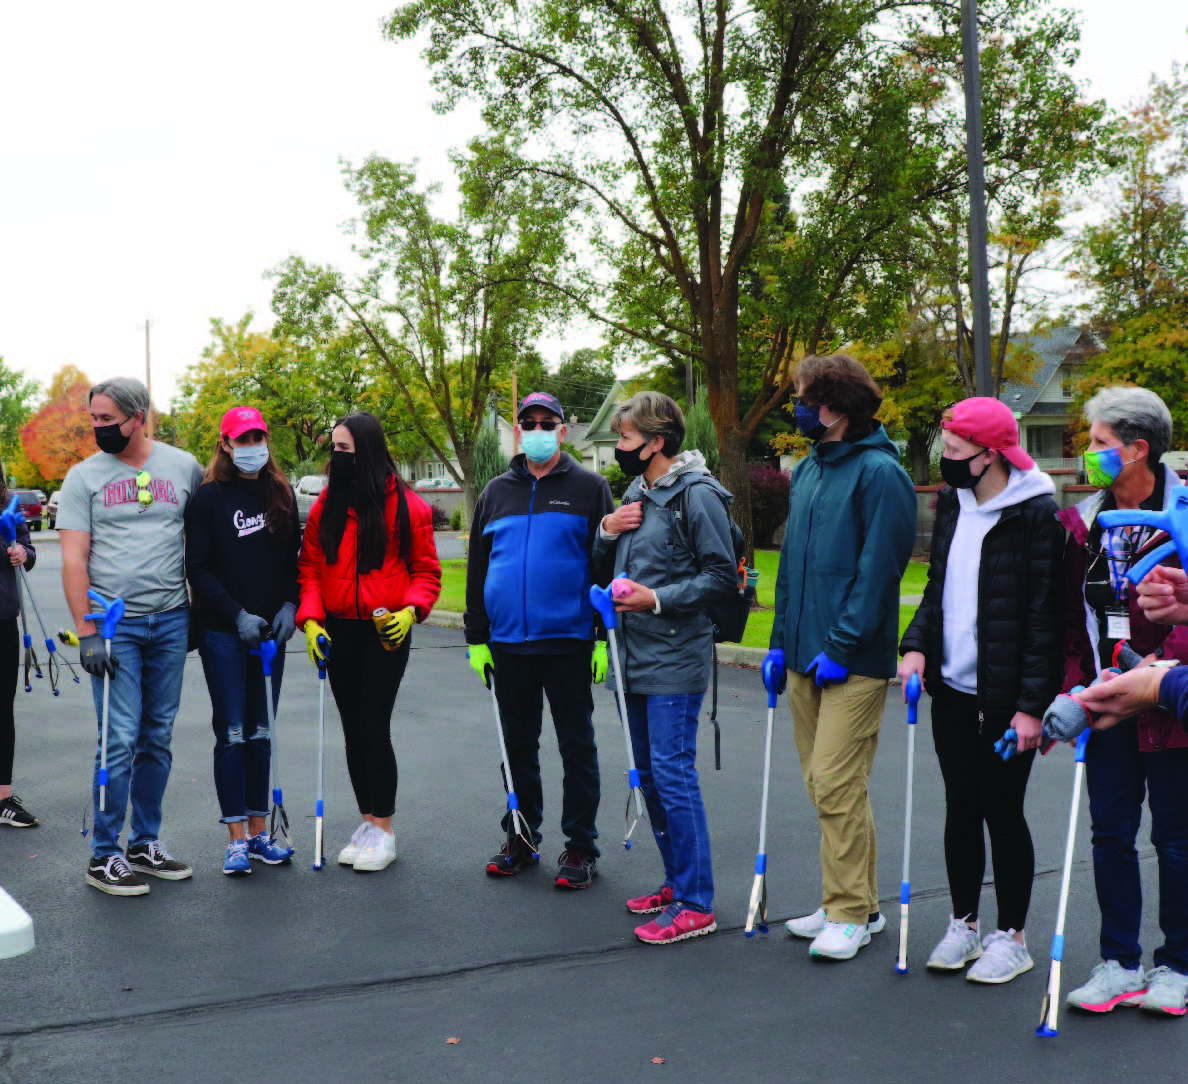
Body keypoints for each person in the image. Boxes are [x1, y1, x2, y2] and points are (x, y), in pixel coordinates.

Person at [898, 398, 1064, 983]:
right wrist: (915, 645)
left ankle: (1012, 937)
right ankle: (963, 924)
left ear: (991, 455)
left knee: (1001, 808)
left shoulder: (1037, 514)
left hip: (1007, 697)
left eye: (956, 452)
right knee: (960, 806)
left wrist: (1030, 707)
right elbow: (936, 586)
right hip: (953, 688)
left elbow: (1047, 620)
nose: (946, 461)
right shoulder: (952, 501)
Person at [765, 353, 915, 961]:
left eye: (800, 397)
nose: (794, 407)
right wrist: (778, 642)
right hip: (802, 655)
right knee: (829, 785)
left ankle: (849, 913)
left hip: (851, 661)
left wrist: (843, 646)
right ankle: (857, 905)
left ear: (830, 407)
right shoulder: (807, 472)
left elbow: (879, 574)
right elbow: (791, 572)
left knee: (834, 781)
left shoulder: (880, 474)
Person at [1057, 385, 1188, 1017]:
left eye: (1100, 443)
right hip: (1107, 704)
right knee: (1109, 834)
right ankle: (1118, 962)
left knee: (1176, 840)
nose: (1088, 452)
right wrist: (1075, 693)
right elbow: (1068, 619)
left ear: (1137, 449)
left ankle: (1179, 966)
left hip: (1172, 705)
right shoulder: (1083, 520)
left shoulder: (1186, 510)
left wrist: (1160, 678)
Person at [591, 391, 737, 944]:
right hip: (633, 655)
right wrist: (607, 530)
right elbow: (611, 558)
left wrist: (653, 598)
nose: (618, 450)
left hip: (675, 655)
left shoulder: (696, 495)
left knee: (673, 777)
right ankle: (678, 885)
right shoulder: (636, 490)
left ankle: (697, 902)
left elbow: (721, 578)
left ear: (656, 442)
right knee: (650, 777)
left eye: (625, 440)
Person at [57, 377, 204, 895]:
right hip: (113, 629)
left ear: (137, 417)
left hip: (169, 621)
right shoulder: (82, 478)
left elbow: (203, 543)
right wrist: (86, 631)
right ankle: (104, 853)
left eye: (107, 420)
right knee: (117, 739)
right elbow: (73, 557)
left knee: (157, 737)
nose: (98, 428)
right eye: (93, 419)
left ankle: (145, 843)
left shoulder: (184, 467)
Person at [464, 392, 614, 889]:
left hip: (569, 641)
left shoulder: (591, 488)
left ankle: (580, 848)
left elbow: (605, 567)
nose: (537, 430)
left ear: (563, 430)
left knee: (577, 747)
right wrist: (476, 636)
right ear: (518, 430)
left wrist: (598, 636)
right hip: (507, 645)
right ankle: (522, 837)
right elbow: (479, 569)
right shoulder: (494, 492)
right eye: (528, 423)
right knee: (517, 748)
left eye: (547, 422)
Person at [296, 411, 441, 873]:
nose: (335, 458)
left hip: (386, 630)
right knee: (353, 731)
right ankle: (367, 822)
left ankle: (385, 828)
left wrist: (411, 610)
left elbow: (427, 572)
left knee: (374, 729)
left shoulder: (409, 508)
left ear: (368, 452)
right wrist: (312, 621)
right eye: (333, 450)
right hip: (339, 630)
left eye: (344, 450)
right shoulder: (326, 506)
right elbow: (311, 570)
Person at [185, 407, 301, 875]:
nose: (252, 444)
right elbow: (199, 568)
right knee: (231, 732)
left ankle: (259, 833)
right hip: (225, 634)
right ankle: (235, 837)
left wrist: (291, 606)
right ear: (226, 444)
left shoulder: (281, 493)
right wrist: (236, 615)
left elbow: (297, 559)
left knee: (261, 731)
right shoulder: (209, 499)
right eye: (242, 438)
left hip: (272, 634)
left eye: (258, 436)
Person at [0, 477, 37, 828]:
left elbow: (29, 552)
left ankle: (2, 797)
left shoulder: (7, 501)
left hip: (2, 619)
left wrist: (22, 552)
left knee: (2, 709)